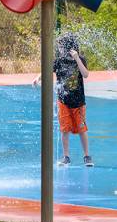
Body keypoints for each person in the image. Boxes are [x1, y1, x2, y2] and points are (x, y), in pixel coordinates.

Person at [33, 33, 93, 167]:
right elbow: (47, 70)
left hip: (78, 102)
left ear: (68, 47)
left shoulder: (80, 59)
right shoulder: (59, 61)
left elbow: (85, 74)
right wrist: (38, 78)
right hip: (63, 101)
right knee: (64, 129)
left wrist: (77, 58)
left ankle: (87, 156)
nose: (59, 49)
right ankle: (66, 157)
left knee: (82, 129)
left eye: (61, 46)